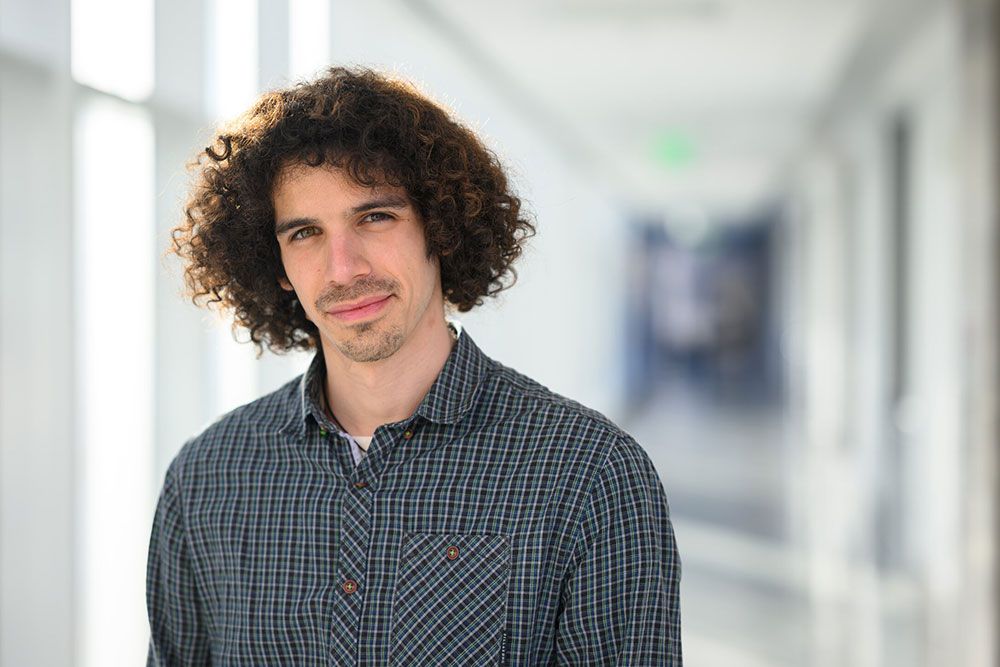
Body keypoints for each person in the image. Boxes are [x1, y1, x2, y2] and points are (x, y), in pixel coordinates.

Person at [146, 66, 682, 666]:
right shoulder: (206, 480)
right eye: (304, 233)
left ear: (442, 229)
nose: (343, 267)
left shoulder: (590, 474)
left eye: (374, 217)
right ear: (277, 265)